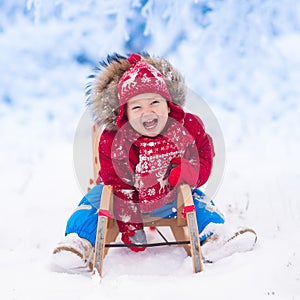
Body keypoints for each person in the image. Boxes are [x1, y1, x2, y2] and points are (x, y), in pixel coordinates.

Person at [52, 53, 256, 272]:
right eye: (136, 107)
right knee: (95, 200)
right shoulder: (115, 140)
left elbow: (204, 154)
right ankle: (79, 242)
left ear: (168, 106)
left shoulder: (186, 127)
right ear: (125, 114)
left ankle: (215, 236)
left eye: (154, 102)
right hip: (123, 197)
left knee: (197, 201)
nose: (147, 111)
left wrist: (190, 172)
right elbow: (117, 182)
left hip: (171, 196)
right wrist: (130, 225)